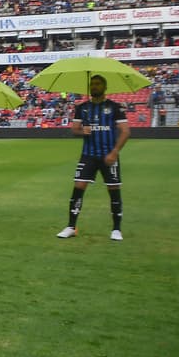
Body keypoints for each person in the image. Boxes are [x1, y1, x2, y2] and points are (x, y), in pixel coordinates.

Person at [58, 74, 131, 241]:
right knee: (78, 187)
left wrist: (114, 152)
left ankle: (116, 229)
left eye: (98, 84)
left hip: (109, 155)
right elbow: (74, 129)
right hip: (88, 155)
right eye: (92, 84)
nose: (94, 86)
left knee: (113, 189)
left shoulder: (115, 107)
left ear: (105, 87)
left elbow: (126, 131)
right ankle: (71, 226)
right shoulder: (82, 108)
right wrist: (81, 131)